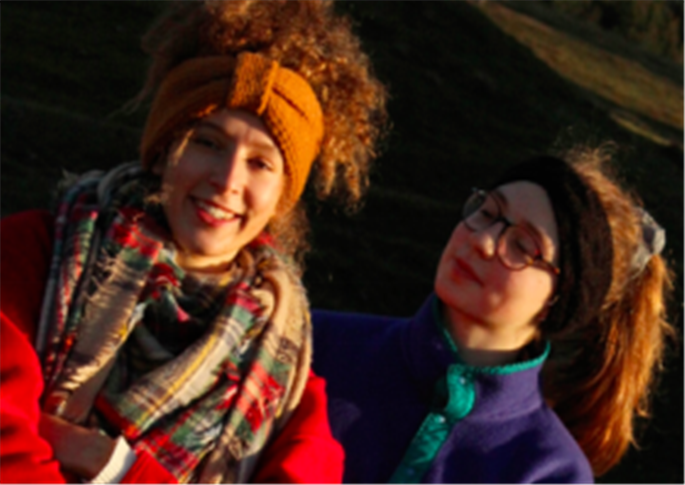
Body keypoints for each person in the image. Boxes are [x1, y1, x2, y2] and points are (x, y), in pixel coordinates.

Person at [0, 0, 387, 483]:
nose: (227, 180)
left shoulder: (283, 386)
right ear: (164, 150)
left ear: (282, 197)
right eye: (208, 142)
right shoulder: (29, 257)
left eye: (260, 163)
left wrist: (114, 466)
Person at [312, 146, 675, 484]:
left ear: (560, 300)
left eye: (523, 246)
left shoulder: (550, 471)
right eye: (486, 213)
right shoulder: (316, 343)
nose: (482, 241)